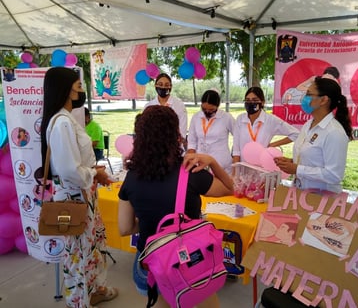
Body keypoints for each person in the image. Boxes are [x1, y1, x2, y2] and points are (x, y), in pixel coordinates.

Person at [118, 105, 233, 308]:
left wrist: (150, 221)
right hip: (192, 261)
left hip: (150, 267)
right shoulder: (190, 170)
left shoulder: (132, 177)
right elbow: (228, 188)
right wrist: (213, 162)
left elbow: (124, 228)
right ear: (176, 135)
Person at [40, 67, 118, 308]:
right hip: (75, 198)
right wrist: (96, 172)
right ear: (65, 89)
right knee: (79, 252)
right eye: (78, 87)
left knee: (89, 248)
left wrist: (95, 174)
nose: (82, 92)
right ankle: (78, 301)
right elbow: (69, 170)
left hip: (83, 194)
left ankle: (93, 291)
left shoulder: (66, 119)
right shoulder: (62, 122)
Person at [275, 77, 353, 194]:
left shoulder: (334, 132)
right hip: (300, 194)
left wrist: (298, 169)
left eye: (308, 94)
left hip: (321, 200)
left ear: (323, 100)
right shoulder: (308, 125)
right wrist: (292, 162)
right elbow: (314, 160)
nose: (303, 98)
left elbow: (334, 175)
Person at [232, 86, 299, 163]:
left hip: (262, 168)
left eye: (255, 100)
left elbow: (296, 134)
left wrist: (272, 145)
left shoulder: (270, 120)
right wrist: (235, 171)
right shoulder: (240, 119)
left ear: (262, 102)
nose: (251, 103)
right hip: (243, 168)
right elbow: (236, 150)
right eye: (247, 100)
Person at [187, 89, 235, 174]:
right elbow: (191, 141)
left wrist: (234, 154)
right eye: (204, 109)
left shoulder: (226, 117)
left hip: (221, 163)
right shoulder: (196, 117)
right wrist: (190, 160)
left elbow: (238, 137)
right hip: (200, 163)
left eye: (211, 109)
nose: (207, 112)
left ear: (218, 105)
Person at [144, 73, 188, 147]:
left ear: (171, 87)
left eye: (167, 85)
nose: (163, 87)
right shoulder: (148, 106)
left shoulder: (179, 105)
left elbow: (182, 130)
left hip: (173, 147)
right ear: (155, 85)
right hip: (153, 148)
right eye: (160, 84)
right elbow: (145, 129)